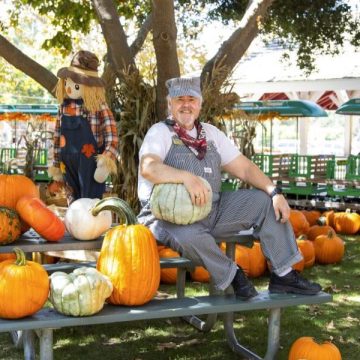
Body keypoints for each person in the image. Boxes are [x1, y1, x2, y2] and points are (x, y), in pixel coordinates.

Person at [137, 76, 321, 299]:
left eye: (192, 99)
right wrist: (185, 177)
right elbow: (149, 167)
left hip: (212, 210)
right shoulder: (160, 132)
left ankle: (284, 275)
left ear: (200, 104)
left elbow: (244, 169)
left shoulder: (211, 134)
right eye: (179, 99)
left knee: (264, 202)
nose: (186, 104)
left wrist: (274, 192)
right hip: (167, 218)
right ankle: (234, 276)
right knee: (188, 236)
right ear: (170, 104)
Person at [49, 50, 119, 203]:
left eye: (75, 84)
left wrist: (106, 160)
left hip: (90, 163)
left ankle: (91, 225)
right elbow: (57, 136)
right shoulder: (63, 107)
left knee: (90, 202)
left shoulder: (97, 106)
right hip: (67, 163)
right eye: (67, 82)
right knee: (72, 200)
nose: (68, 88)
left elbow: (111, 135)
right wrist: (55, 164)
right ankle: (74, 223)